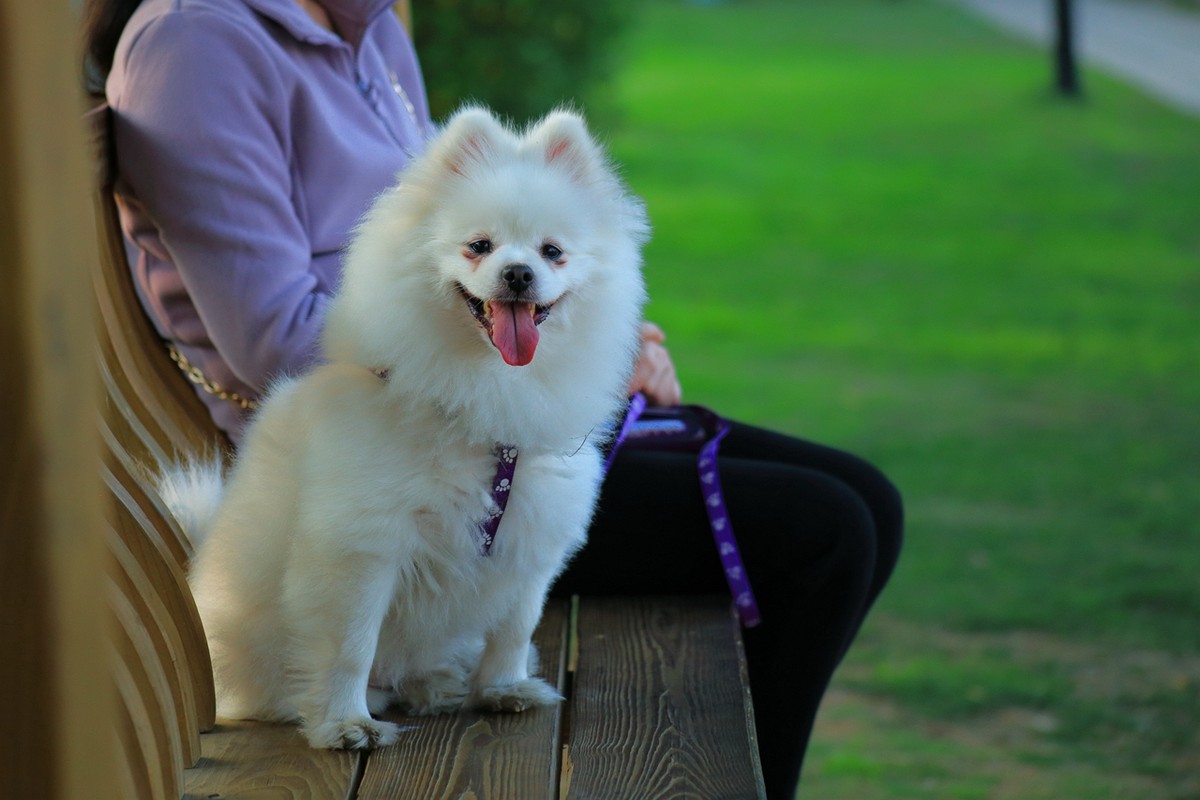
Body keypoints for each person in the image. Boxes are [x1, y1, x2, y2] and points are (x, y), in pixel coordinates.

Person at [84, 1, 903, 795]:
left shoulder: (364, 25)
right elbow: (275, 337)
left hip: (498, 429)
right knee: (822, 533)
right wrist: (540, 371)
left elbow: (483, 239)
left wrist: (584, 348)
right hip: (379, 466)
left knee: (867, 499)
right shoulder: (196, 45)